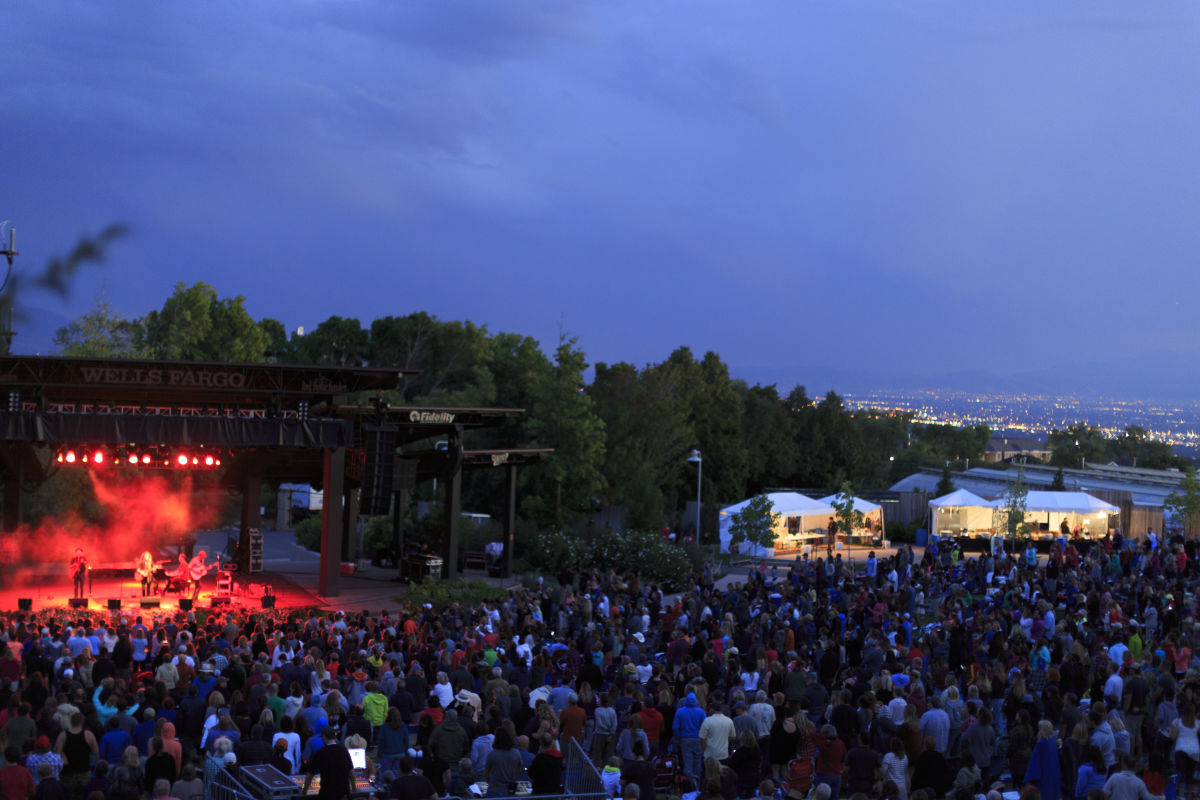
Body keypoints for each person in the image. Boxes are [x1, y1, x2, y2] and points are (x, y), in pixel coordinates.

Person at [304, 734, 354, 800]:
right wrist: (354, 787)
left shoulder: (320, 752)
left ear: (324, 738)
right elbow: (351, 771)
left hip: (327, 793)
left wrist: (304, 791)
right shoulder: (344, 751)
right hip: (343, 793)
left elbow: (310, 774)